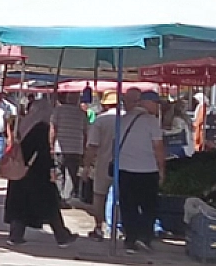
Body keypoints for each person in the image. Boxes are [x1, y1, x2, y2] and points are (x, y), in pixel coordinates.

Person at [101, 89, 165, 252]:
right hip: (147, 170)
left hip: (124, 170)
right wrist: (162, 169)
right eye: (156, 103)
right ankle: (144, 237)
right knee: (148, 206)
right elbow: (158, 148)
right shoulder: (151, 122)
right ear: (145, 103)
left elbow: (115, 145)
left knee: (128, 206)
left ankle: (130, 239)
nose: (158, 107)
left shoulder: (121, 121)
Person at [4, 98, 74, 246]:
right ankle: (61, 236)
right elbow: (42, 151)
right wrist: (51, 168)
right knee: (51, 204)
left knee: (20, 204)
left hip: (20, 170)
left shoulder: (22, 124)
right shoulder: (41, 128)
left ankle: (15, 235)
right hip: (37, 173)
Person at [84, 92, 121, 239]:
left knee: (99, 195)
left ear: (105, 104)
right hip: (126, 163)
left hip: (103, 163)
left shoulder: (100, 120)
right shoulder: (127, 118)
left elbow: (92, 145)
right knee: (121, 197)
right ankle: (117, 227)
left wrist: (87, 166)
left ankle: (99, 227)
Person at [50, 90, 88, 201]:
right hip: (76, 148)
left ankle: (58, 197)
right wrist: (84, 148)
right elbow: (86, 132)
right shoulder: (82, 113)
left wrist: (51, 145)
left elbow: (53, 129)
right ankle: (66, 197)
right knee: (71, 174)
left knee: (59, 173)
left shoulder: (58, 111)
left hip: (60, 148)